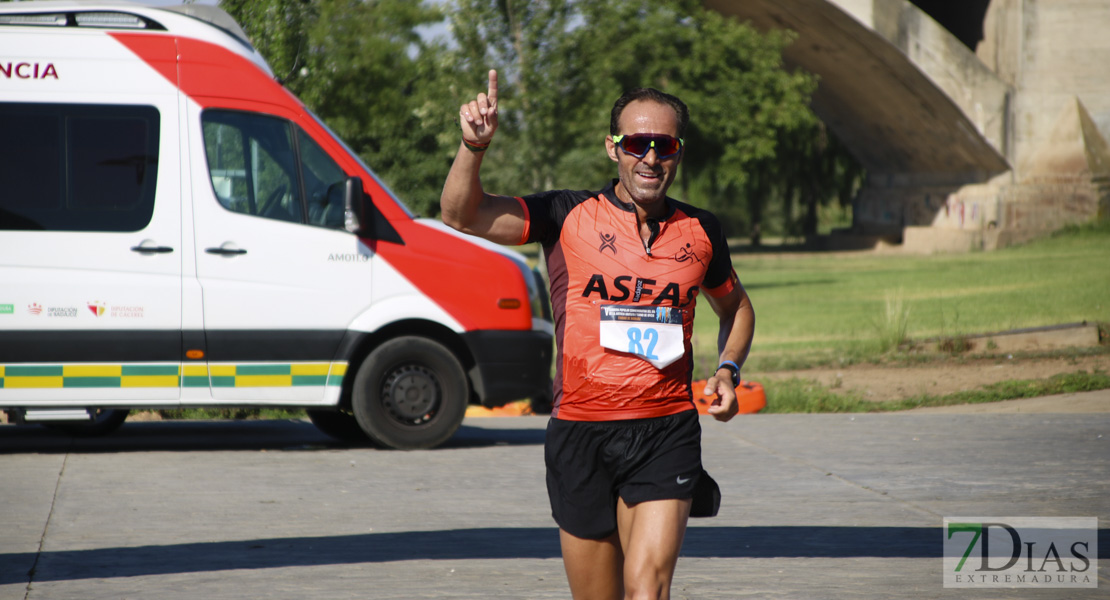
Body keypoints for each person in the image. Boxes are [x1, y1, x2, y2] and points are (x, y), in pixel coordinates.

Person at [441, 70, 755, 600]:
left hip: (665, 431)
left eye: (664, 146)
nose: (650, 158)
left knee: (648, 589)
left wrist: (728, 369)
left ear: (678, 152)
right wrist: (474, 145)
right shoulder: (565, 215)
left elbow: (736, 307)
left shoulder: (701, 231)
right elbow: (459, 214)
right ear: (613, 148)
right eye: (637, 144)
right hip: (580, 434)